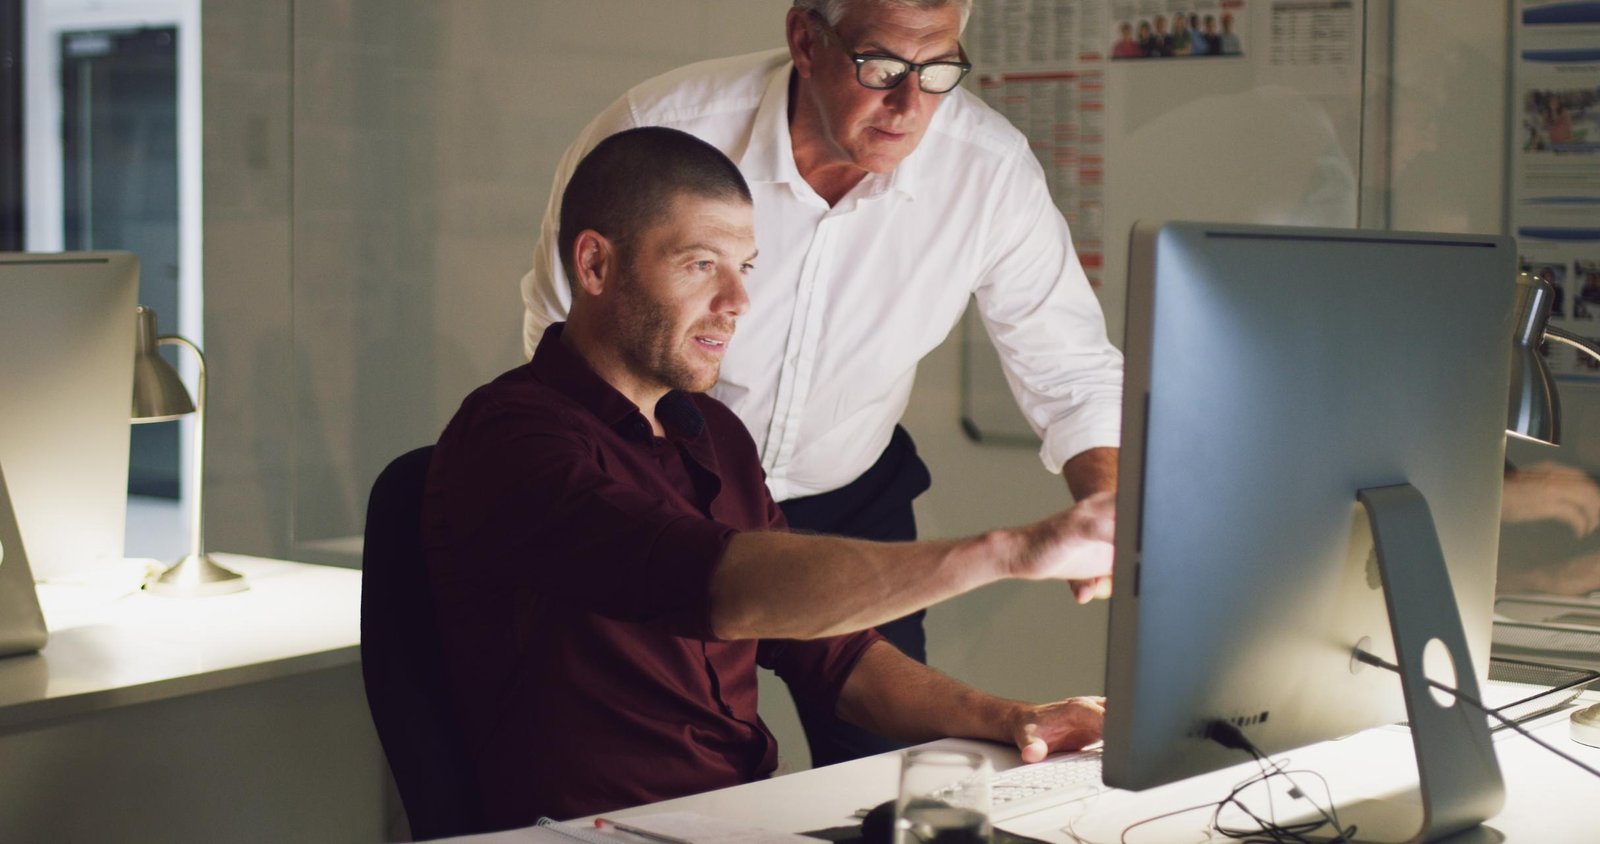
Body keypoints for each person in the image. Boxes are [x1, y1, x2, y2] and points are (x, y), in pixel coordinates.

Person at [431, 127, 1114, 828]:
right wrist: (1011, 551)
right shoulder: (510, 438)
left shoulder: (714, 432)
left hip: (739, 817)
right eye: (700, 265)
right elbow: (719, 585)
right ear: (596, 266)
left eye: (745, 268)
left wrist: (1014, 719)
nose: (737, 301)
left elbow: (831, 654)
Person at [520, 0, 1123, 767]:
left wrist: (1105, 522)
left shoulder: (987, 169)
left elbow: (1072, 370)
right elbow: (568, 329)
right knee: (650, 759)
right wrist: (1011, 551)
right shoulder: (664, 132)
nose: (910, 106)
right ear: (806, 39)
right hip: (654, 493)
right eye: (881, 68)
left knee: (888, 770)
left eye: (939, 70)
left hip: (848, 491)